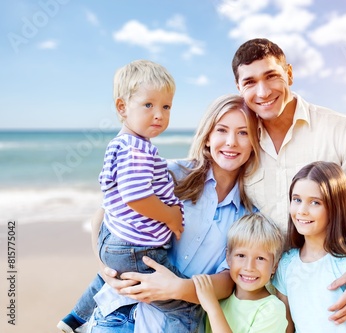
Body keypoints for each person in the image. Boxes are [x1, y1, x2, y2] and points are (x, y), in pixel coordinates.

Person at [232, 38, 346, 325]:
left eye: (271, 76)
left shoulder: (340, 129)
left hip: (334, 291)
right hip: (264, 300)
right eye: (250, 82)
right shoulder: (239, 142)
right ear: (239, 88)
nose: (262, 91)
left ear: (289, 73)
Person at [86, 93, 261, 332]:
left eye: (243, 133)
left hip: (176, 324)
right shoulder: (170, 174)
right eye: (222, 130)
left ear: (254, 142)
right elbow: (104, 215)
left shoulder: (248, 214)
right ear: (208, 136)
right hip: (119, 313)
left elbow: (229, 280)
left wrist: (177, 288)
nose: (231, 141)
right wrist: (105, 269)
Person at [58, 59, 186, 333]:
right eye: (149, 105)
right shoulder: (137, 149)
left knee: (110, 277)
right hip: (137, 247)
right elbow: (137, 198)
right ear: (122, 107)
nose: (159, 115)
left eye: (166, 106)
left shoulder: (121, 143)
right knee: (185, 306)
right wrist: (171, 217)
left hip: (114, 238)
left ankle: (75, 318)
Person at [273, 161, 346, 332]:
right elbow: (287, 328)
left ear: (335, 208)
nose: (302, 210)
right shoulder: (286, 265)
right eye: (297, 200)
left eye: (315, 202)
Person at [193, 213, 288, 333]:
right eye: (241, 255)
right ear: (228, 257)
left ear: (274, 266)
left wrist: (212, 308)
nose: (249, 267)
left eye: (260, 258)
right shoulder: (222, 297)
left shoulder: (272, 309)